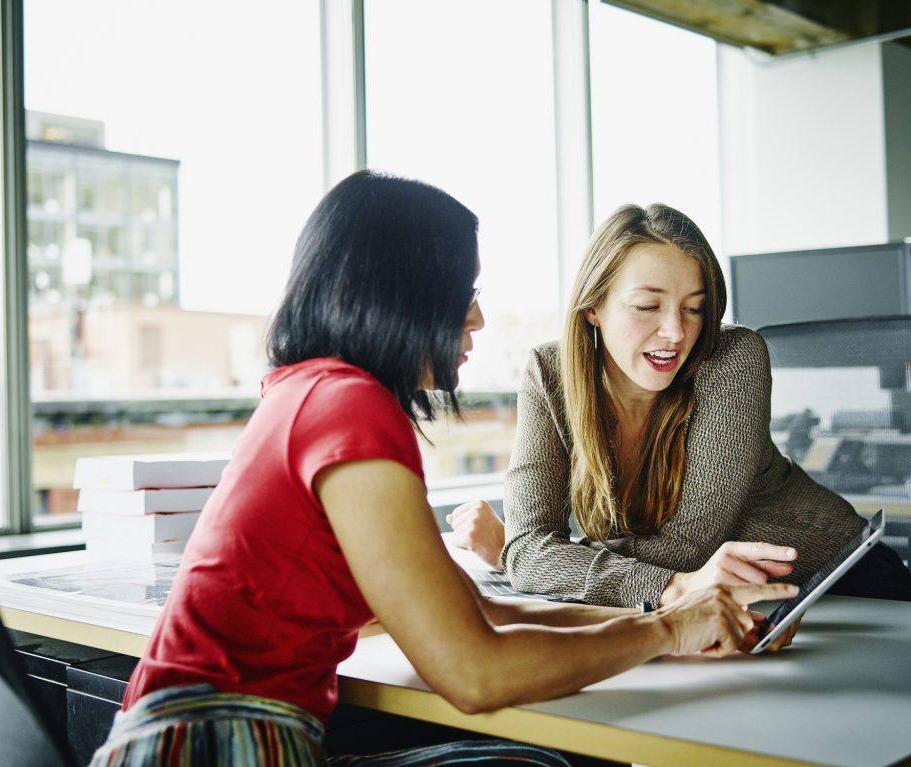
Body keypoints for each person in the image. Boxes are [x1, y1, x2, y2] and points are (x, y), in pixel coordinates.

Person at [89, 176, 799, 767]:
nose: (479, 317)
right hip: (218, 747)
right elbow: (474, 671)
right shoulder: (349, 409)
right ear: (402, 291)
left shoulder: (307, 392)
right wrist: (664, 632)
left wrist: (673, 621)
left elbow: (486, 610)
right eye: (463, 288)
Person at [448, 202, 911, 608]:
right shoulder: (549, 374)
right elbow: (533, 550)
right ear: (593, 307)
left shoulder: (731, 358)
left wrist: (527, 555)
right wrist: (526, 554)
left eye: (694, 308)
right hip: (718, 609)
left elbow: (685, 548)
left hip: (843, 589)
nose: (676, 332)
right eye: (647, 306)